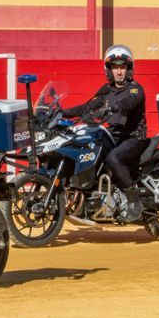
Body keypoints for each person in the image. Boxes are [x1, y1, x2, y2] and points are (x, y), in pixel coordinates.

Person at [61, 45, 148, 219]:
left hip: (134, 138)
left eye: (122, 67)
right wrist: (62, 113)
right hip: (113, 137)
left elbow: (127, 103)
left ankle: (134, 202)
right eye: (115, 67)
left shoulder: (135, 89)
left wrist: (111, 107)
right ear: (109, 70)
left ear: (129, 69)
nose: (119, 71)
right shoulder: (106, 90)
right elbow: (87, 107)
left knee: (113, 158)